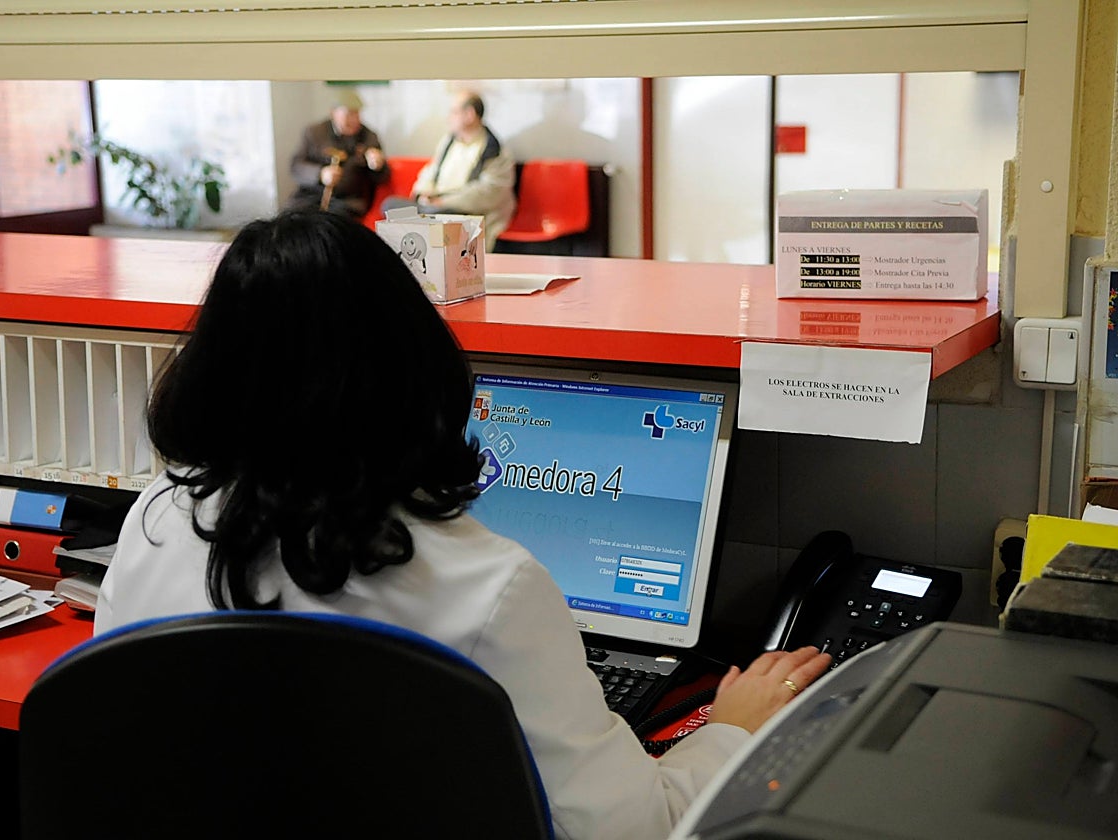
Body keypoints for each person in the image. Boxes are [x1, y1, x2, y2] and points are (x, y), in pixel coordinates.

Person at [94, 208, 830, 840]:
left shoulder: (156, 518)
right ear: (414, 370)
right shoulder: (494, 588)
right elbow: (633, 829)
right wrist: (733, 727)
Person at [382, 91, 516, 250]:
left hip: (461, 211)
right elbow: (431, 171)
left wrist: (443, 202)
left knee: (438, 216)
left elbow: (486, 193)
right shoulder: (449, 141)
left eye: (453, 112)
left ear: (469, 114)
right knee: (390, 205)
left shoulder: (495, 151)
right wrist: (422, 192)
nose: (448, 117)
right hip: (433, 206)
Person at [288, 88, 388, 221]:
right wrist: (320, 174)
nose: (353, 120)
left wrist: (378, 166)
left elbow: (382, 177)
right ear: (333, 112)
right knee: (291, 218)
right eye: (348, 114)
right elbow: (296, 166)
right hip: (311, 195)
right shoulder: (314, 132)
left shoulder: (369, 137)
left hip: (348, 200)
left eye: (356, 114)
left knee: (334, 223)